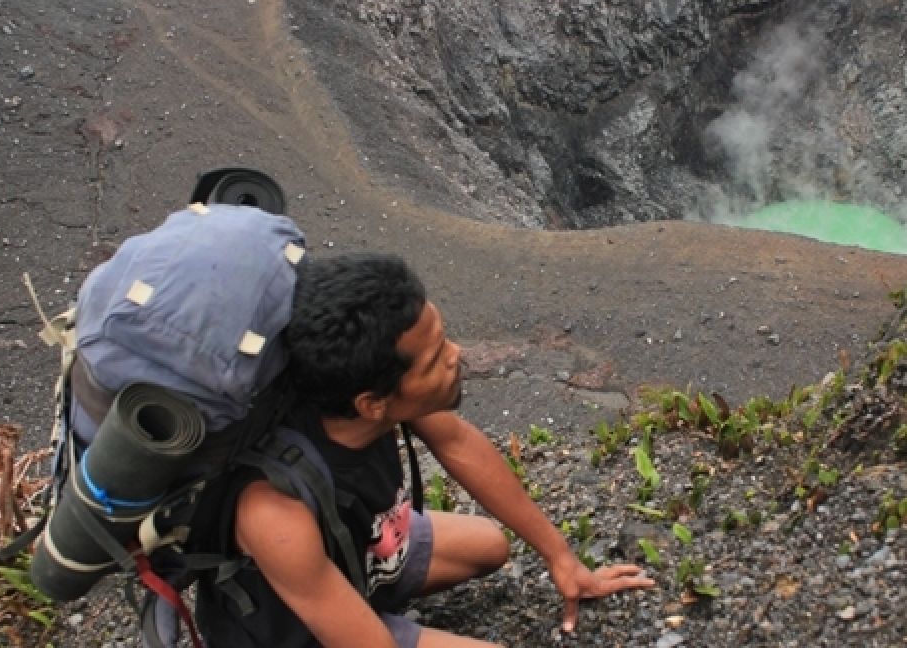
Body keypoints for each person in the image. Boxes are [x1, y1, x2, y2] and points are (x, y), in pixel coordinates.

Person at [195, 254, 654, 647]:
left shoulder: (372, 399)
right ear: (372, 404)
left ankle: (373, 583)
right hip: (299, 629)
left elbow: (457, 443)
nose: (455, 355)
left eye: (443, 340)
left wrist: (562, 558)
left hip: (362, 554)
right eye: (434, 359)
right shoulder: (273, 510)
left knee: (489, 545)